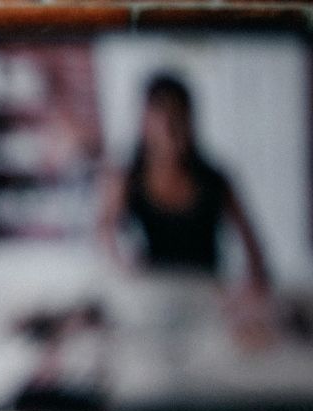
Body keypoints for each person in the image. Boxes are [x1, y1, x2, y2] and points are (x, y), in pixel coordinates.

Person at [98, 73, 268, 294]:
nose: (170, 132)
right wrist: (123, 266)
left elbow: (252, 244)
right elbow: (104, 231)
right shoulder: (128, 177)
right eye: (163, 121)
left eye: (178, 120)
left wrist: (253, 287)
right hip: (154, 292)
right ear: (146, 123)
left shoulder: (214, 178)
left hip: (208, 291)